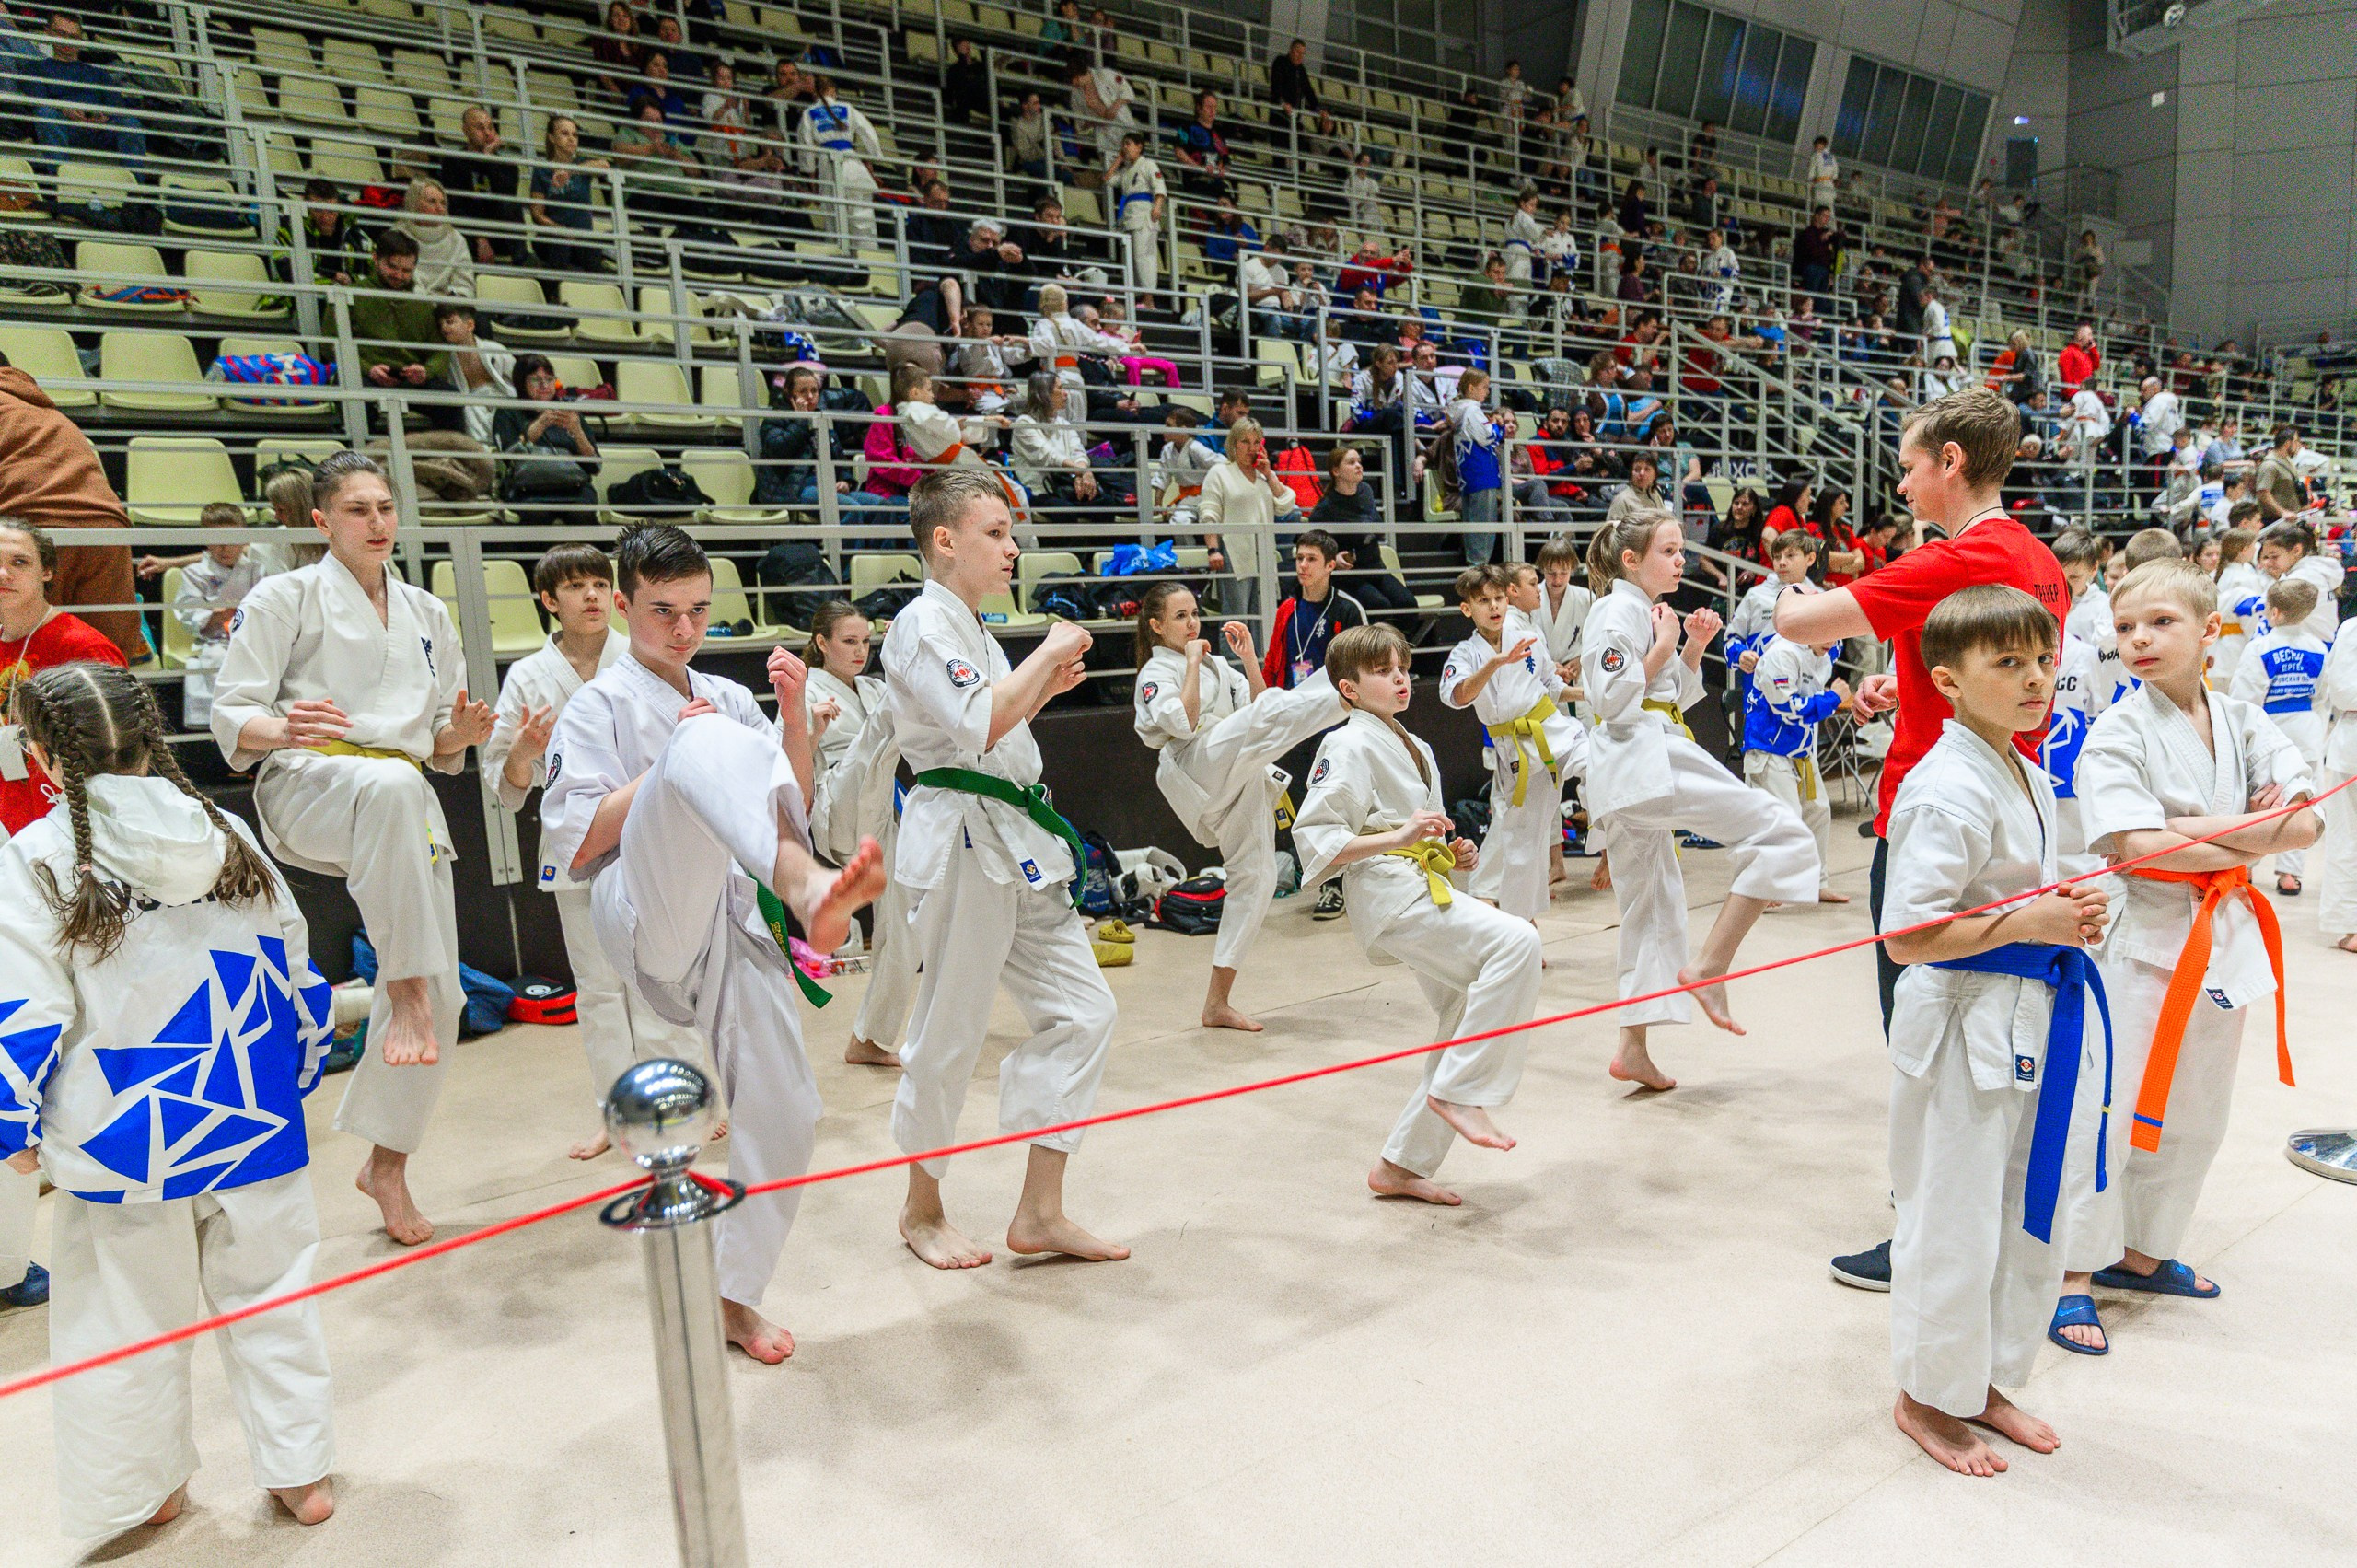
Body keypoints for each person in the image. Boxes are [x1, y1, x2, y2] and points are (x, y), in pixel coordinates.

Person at [1, 663, 338, 1537]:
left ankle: (142, 1490)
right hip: (253, 1115)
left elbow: (22, 1009)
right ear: (153, 738)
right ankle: (303, 1474)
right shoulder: (225, 830)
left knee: (124, 1318)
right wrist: (296, 1070)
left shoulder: (36, 855)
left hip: (121, 1140)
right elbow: (297, 966)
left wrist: (12, 1121)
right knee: (274, 1293)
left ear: (39, 754)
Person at [540, 525, 884, 1361]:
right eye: (663, 612)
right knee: (694, 747)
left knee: (790, 1111)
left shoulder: (726, 697)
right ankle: (808, 892)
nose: (686, 630)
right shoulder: (598, 705)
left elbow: (782, 808)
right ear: (623, 607)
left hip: (733, 914)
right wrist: (671, 768)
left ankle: (735, 1296)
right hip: (643, 907)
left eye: (698, 610)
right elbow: (576, 844)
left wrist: (794, 718)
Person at [1776, 386, 2070, 1292]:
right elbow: (1993, 674)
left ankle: (1924, 1234)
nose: (1901, 483)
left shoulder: (1964, 553)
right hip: (2011, 795)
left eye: (1908, 465)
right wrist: (1904, 689)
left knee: (1922, 1026)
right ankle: (1969, 1218)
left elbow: (1800, 624)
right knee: (1981, 1022)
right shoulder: (2030, 553)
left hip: (1938, 802)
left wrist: (1785, 584)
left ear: (1949, 462)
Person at [210, 452, 493, 1249]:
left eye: (385, 507)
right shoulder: (283, 597)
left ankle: (387, 1165)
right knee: (401, 811)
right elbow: (233, 715)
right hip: (308, 780)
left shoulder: (427, 612)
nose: (377, 521)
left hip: (400, 797)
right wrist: (283, 725)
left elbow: (438, 746)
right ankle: (396, 984)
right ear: (322, 520)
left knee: (448, 997)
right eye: (358, 509)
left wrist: (461, 736)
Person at [2053, 560, 2318, 1355]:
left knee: (2199, 1115)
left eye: (2161, 622)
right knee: (2109, 1113)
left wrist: (2206, 832)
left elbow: (2307, 823)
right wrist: (2252, 829)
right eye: (2127, 625)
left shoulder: (2240, 716)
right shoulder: (2116, 732)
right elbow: (2137, 849)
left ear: (2211, 631)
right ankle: (2070, 1276)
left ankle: (2143, 1253)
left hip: (2223, 943)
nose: (2138, 638)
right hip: (2139, 947)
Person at [1877, 585, 2110, 1477]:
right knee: (1953, 1219)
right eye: (2006, 663)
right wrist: (2029, 922)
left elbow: (2020, 888)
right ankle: (1925, 1394)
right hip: (1961, 1021)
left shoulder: (2016, 759)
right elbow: (1905, 935)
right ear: (1947, 680)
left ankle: (1986, 1378)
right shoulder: (1944, 786)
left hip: (2029, 1015)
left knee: (2025, 1209)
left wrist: (2069, 901)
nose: (2035, 678)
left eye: (2042, 659)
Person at [881, 469, 1125, 1271]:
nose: (1013, 547)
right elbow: (977, 724)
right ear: (944, 540)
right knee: (948, 1028)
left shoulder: (975, 629)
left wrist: (1045, 682)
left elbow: (1000, 727)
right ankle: (922, 1209)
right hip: (959, 838)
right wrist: (1048, 650)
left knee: (1085, 1011)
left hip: (1016, 838)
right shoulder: (921, 626)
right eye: (996, 532)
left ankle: (1040, 1210)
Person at [1293, 622, 1541, 1205]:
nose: (1400, 677)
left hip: (1420, 883)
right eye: (1382, 670)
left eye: (1402, 666)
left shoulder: (1416, 744)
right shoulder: (1346, 743)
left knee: (1463, 1005)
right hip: (1389, 894)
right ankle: (1461, 1090)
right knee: (1518, 944)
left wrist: (1446, 852)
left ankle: (1400, 1164)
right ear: (1348, 688)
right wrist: (1402, 836)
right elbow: (1317, 838)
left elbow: (1411, 831)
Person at [483, 543, 706, 1160]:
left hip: (652, 835)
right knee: (600, 985)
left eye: (597, 583)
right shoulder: (528, 676)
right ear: (547, 600)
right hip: (575, 842)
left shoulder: (646, 657)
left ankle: (685, 1095)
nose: (588, 596)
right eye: (573, 586)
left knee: (664, 973)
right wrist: (528, 748)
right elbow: (505, 779)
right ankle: (619, 1111)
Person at [1582, 511, 1818, 1091]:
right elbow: (1612, 699)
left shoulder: (1645, 610)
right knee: (1782, 833)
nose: (1681, 559)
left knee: (1652, 909)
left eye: (1682, 550)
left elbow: (1676, 695)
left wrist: (1691, 645)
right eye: (1668, 550)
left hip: (1641, 761)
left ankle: (1632, 1046)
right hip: (1643, 758)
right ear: (1631, 559)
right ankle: (1711, 966)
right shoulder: (1616, 610)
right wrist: (1665, 644)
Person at [1132, 582, 1343, 1030]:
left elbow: (1263, 704)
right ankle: (1348, 691)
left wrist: (1247, 659)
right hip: (1195, 767)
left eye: (1194, 613)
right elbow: (1185, 723)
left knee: (1258, 877)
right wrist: (1190, 663)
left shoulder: (1217, 664)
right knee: (1262, 721)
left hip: (1234, 768)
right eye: (1180, 617)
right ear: (1156, 626)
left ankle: (1216, 1003)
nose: (1193, 623)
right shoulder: (1156, 673)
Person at [799, 601, 911, 1067]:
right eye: (849, 641)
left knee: (905, 925)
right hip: (837, 806)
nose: (860, 651)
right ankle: (913, 660)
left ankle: (871, 1037)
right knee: (892, 718)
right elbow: (782, 764)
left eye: (867, 641)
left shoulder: (871, 687)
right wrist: (808, 728)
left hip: (882, 808)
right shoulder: (803, 690)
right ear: (822, 644)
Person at [1440, 565, 1585, 927]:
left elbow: (1551, 684)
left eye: (1499, 598)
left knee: (1605, 763)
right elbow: (1456, 697)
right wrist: (1494, 665)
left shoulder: (1525, 631)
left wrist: (1590, 693)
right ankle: (1522, 922)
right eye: (1483, 600)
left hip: (1556, 731)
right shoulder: (1465, 653)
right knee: (1524, 841)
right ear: (1466, 609)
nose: (1494, 607)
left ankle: (1612, 836)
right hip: (1517, 753)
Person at [1, 517, 129, 838]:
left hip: (75, 829)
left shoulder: (84, 647)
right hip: (11, 824)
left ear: (47, 571)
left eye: (19, 562)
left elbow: (120, 757)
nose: (3, 574)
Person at [2230, 576, 2328, 897]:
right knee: (2302, 800)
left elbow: (2245, 698)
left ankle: (2246, 864)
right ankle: (2290, 873)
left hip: (2269, 731)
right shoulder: (2319, 647)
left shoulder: (2260, 648)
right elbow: (2323, 695)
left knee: (2256, 799)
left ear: (2272, 612)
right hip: (2308, 730)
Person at [1742, 620, 1850, 905]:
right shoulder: (1781, 654)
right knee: (1782, 822)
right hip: (1769, 750)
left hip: (1800, 751)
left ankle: (1815, 883)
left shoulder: (1826, 653)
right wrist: (1832, 700)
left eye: (1837, 634)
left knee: (1818, 812)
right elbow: (1787, 710)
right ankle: (1763, 890)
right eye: (1826, 631)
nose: (1832, 641)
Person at [1196, 417, 1299, 618]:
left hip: (1264, 556)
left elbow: (1287, 503)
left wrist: (1269, 474)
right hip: (1234, 554)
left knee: (1265, 617)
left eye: (1256, 442)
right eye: (1245, 441)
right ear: (1233, 443)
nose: (1251, 448)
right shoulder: (1219, 472)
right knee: (1237, 619)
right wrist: (1213, 549)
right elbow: (1209, 514)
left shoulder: (1263, 477)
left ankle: (1261, 652)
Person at [170, 509, 263, 730]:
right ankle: (224, 724)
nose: (224, 548)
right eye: (216, 540)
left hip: (252, 639)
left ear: (244, 540)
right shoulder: (194, 573)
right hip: (215, 640)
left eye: (231, 540)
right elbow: (189, 615)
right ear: (206, 541)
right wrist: (214, 617)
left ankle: (257, 719)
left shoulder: (257, 569)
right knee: (216, 661)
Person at [22, 14, 144, 163]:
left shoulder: (97, 73)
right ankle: (60, 181)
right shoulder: (36, 68)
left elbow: (117, 107)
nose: (68, 41)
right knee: (45, 114)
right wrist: (64, 110)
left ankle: (134, 183)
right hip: (63, 126)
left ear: (80, 40)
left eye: (73, 37)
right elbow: (38, 102)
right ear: (47, 32)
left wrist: (103, 117)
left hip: (99, 130)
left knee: (131, 124)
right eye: (61, 34)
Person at [1306, 446, 1412, 614]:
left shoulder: (1367, 491)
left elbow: (1377, 528)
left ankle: (1398, 641)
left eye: (1359, 462)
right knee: (1379, 606)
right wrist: (1333, 558)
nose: (1358, 466)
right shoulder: (1326, 508)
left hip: (1374, 566)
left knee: (1407, 603)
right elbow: (1310, 543)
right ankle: (1375, 641)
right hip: (1349, 575)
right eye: (1351, 462)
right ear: (1336, 471)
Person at [493, 354, 601, 517]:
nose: (544, 385)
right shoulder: (508, 411)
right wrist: (538, 426)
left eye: (549, 379)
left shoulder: (569, 410)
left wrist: (578, 432)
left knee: (582, 513)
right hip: (528, 491)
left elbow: (594, 466)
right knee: (537, 515)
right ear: (521, 382)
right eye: (536, 380)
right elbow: (508, 458)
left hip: (575, 489)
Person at [799, 77, 882, 246]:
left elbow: (806, 148)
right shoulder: (847, 108)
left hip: (827, 164)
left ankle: (841, 261)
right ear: (832, 91)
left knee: (835, 219)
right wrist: (875, 157)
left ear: (815, 93)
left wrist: (811, 178)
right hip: (852, 163)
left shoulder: (809, 113)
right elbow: (869, 132)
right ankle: (869, 258)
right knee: (863, 217)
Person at [439, 106, 524, 266]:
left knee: (511, 205)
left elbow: (506, 199)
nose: (487, 133)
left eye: (490, 127)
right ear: (465, 130)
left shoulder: (508, 166)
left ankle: (521, 265)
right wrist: (480, 238)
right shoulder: (453, 161)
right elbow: (455, 206)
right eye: (480, 128)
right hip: (468, 230)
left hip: (499, 231)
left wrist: (489, 159)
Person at [528, 116, 609, 276]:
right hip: (553, 237)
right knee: (561, 244)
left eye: (575, 135)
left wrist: (570, 171)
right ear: (552, 137)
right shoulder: (542, 170)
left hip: (582, 238)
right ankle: (555, 295)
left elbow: (604, 165)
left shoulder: (582, 165)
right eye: (565, 133)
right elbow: (536, 213)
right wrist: (559, 230)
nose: (571, 139)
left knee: (593, 251)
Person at [1447, 368, 1508, 567]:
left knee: (1474, 526)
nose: (1487, 392)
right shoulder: (1472, 410)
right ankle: (1479, 573)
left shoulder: (1459, 410)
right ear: (1471, 388)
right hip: (1482, 474)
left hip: (1469, 475)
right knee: (1483, 527)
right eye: (1484, 387)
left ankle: (1475, 568)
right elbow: (1487, 436)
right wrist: (1499, 428)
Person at [2257, 516, 2342, 648]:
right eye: (2266, 557)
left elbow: (2266, 606)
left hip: (2311, 648)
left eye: (2274, 556)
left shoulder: (2303, 577)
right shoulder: (2314, 570)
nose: (2268, 563)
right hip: (2317, 644)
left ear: (2296, 550)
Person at [1107, 131, 1167, 311]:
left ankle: (1149, 300)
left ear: (1139, 147)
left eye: (1128, 144)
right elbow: (1107, 179)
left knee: (1145, 258)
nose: (1125, 147)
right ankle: (1137, 297)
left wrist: (1157, 206)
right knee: (1132, 260)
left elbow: (1159, 187)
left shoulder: (1148, 165)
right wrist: (1118, 159)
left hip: (1145, 215)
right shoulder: (1125, 171)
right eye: (1123, 144)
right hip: (1129, 216)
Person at [392, 179, 474, 300]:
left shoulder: (457, 240)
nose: (439, 208)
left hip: (448, 309)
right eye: (432, 202)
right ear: (414, 204)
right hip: (410, 304)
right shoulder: (397, 235)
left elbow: (465, 285)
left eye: (443, 203)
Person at [2211, 518, 2266, 683]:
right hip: (2237, 645)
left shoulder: (2217, 574)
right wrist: (2257, 642)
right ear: (2243, 550)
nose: (2256, 549)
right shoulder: (2244, 578)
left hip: (2218, 645)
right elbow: (2251, 615)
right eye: (2253, 546)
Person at [2254, 424, 2311, 522]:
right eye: (2296, 441)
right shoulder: (2269, 465)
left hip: (2290, 518)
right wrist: (2282, 512)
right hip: (2275, 519)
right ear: (2288, 443)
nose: (2299, 445)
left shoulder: (2287, 461)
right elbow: (2263, 493)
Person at [1270, 38, 1318, 117]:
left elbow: (1308, 89)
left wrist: (1317, 108)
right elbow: (1276, 84)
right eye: (1298, 53)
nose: (1300, 56)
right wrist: (1282, 103)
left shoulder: (1301, 69)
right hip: (1279, 112)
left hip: (1294, 114)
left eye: (1302, 54)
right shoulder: (1280, 62)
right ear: (1291, 51)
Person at [1807, 135, 1838, 212]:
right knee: (1829, 208)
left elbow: (1812, 171)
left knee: (1818, 207)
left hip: (1820, 184)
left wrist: (1809, 182)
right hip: (1829, 185)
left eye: (1817, 145)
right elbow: (1834, 172)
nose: (1816, 147)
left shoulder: (1815, 156)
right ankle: (1830, 223)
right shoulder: (1829, 156)